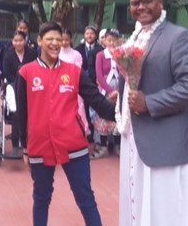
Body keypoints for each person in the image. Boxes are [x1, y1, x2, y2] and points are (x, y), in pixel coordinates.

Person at [118, 0, 188, 226]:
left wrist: (149, 102)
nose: (141, 7)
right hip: (134, 139)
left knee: (166, 213)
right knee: (136, 207)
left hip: (165, 142)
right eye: (135, 3)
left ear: (160, 2)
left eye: (146, 1)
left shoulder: (178, 37)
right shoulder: (134, 38)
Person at [16, 21, 117, 226]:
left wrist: (122, 113)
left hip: (73, 144)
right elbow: (22, 114)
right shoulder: (25, 73)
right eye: (50, 39)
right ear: (39, 41)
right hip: (40, 145)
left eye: (59, 39)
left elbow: (96, 100)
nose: (55, 43)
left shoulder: (74, 72)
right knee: (41, 198)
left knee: (85, 198)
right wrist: (25, 147)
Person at [2, 31, 37, 157]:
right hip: (13, 87)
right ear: (12, 41)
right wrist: (18, 83)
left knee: (33, 115)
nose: (18, 43)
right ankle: (15, 145)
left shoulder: (32, 53)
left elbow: (36, 69)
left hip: (31, 86)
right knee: (16, 115)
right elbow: (6, 73)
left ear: (25, 40)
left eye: (21, 40)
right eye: (15, 41)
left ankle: (32, 144)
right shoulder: (8, 55)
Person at [91, 28, 121, 159]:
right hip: (105, 90)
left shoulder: (122, 54)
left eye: (114, 40)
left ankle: (118, 145)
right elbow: (99, 75)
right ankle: (102, 146)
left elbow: (125, 72)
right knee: (103, 116)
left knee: (119, 116)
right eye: (109, 40)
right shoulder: (100, 55)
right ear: (104, 41)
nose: (112, 43)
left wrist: (118, 91)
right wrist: (110, 91)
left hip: (119, 89)